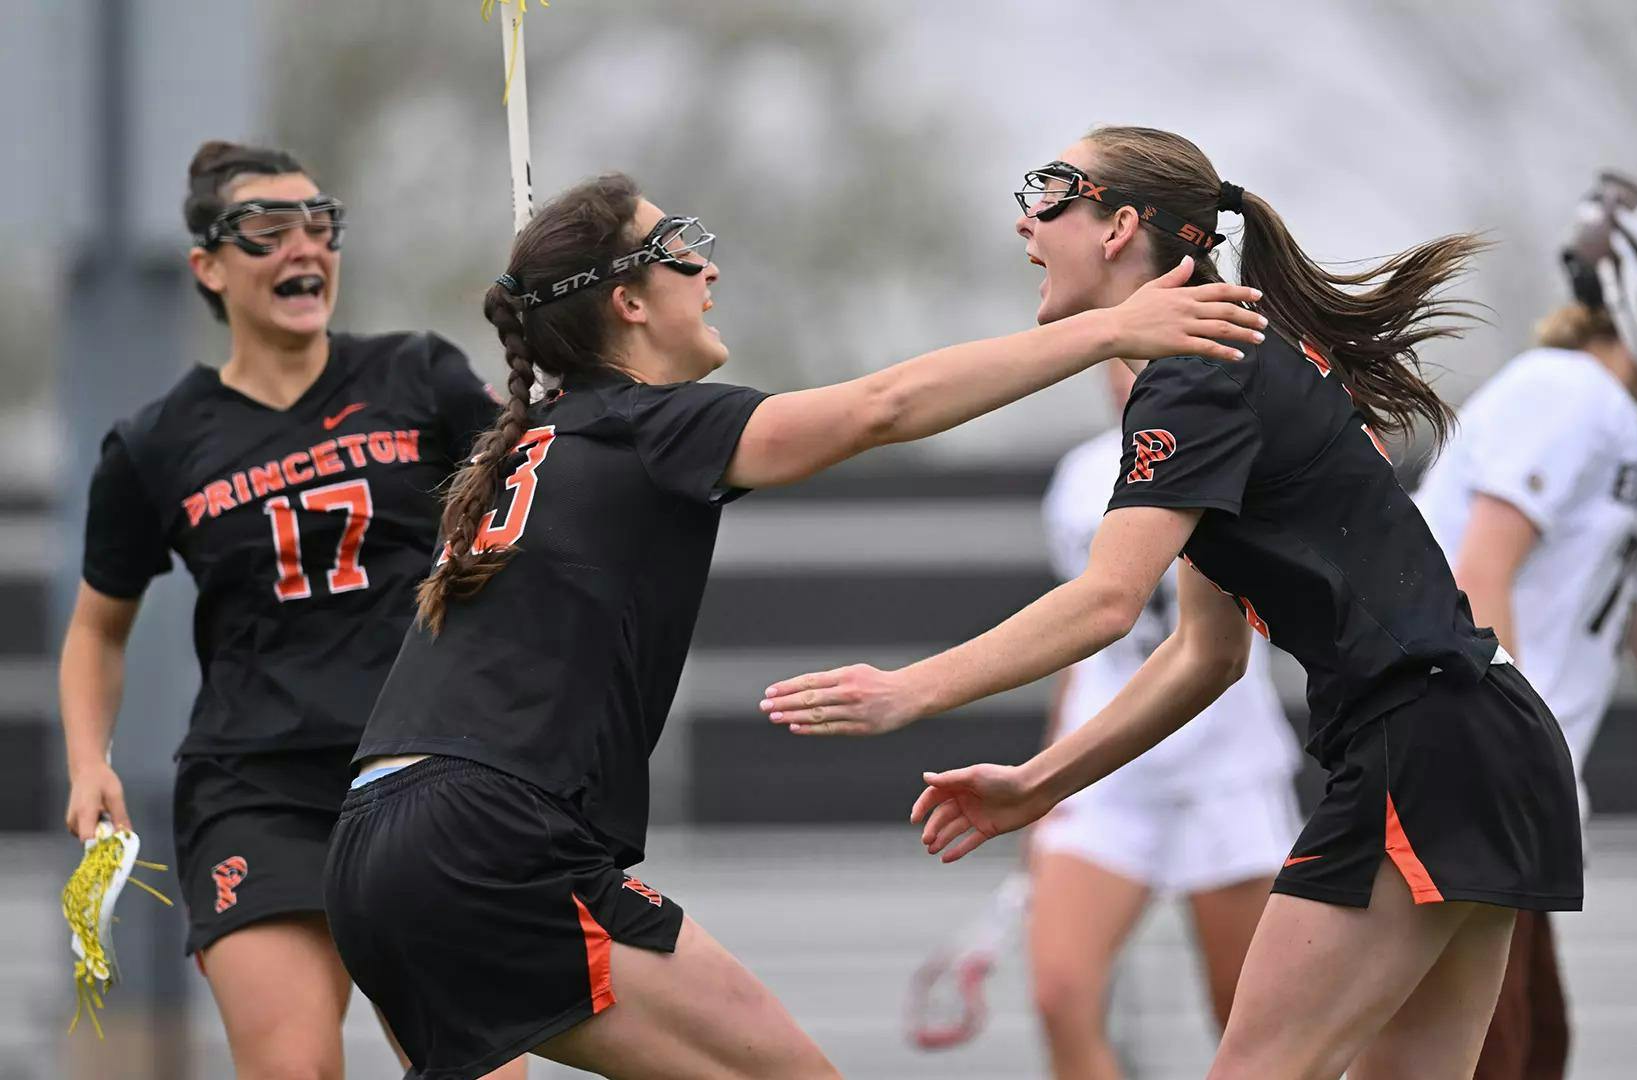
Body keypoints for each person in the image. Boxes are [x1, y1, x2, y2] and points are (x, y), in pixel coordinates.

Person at [320, 171, 1267, 1080]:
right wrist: (1112, 330)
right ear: (629, 303)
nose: (710, 269)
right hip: (490, 841)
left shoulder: (533, 439)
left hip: (370, 844)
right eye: (680, 251)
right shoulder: (647, 427)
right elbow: (881, 411)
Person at [761, 125, 1584, 1080]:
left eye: (1048, 194)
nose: (1025, 222)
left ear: (1119, 226)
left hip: (1427, 744)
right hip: (1488, 738)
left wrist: (911, 691)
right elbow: (1206, 654)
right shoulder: (1227, 351)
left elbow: (1108, 602)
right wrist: (1041, 784)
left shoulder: (1194, 375)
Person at [58, 140, 524, 1078]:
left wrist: (545, 378)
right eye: (268, 231)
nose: (302, 248)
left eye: (320, 226)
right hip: (255, 793)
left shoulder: (418, 377)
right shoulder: (155, 445)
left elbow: (535, 502)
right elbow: (96, 628)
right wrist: (86, 764)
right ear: (209, 267)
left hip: (418, 775)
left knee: (477, 1069)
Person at [1412, 172, 1637, 1080]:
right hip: (1470, 782)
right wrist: (1521, 761)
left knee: (1535, 1050)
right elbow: (1480, 577)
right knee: (1488, 1059)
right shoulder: (1569, 394)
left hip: (1489, 791)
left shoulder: (1615, 443)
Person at [1028, 358, 1301, 1079]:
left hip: (1223, 767)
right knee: (1061, 993)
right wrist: (1047, 783)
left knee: (1247, 1022)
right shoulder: (1080, 478)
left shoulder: (1240, 461)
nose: (1128, 374)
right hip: (1108, 775)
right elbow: (1076, 645)